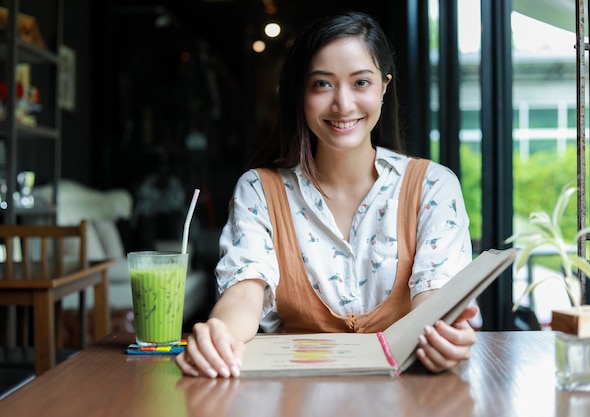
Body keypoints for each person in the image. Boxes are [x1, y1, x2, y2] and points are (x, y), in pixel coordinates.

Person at [176, 11, 478, 379]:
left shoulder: (433, 187)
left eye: (361, 83)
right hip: (293, 394)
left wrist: (446, 335)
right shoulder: (259, 190)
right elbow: (244, 292)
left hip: (409, 394)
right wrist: (220, 334)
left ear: (384, 87)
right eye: (322, 84)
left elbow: (436, 303)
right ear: (300, 93)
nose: (343, 104)